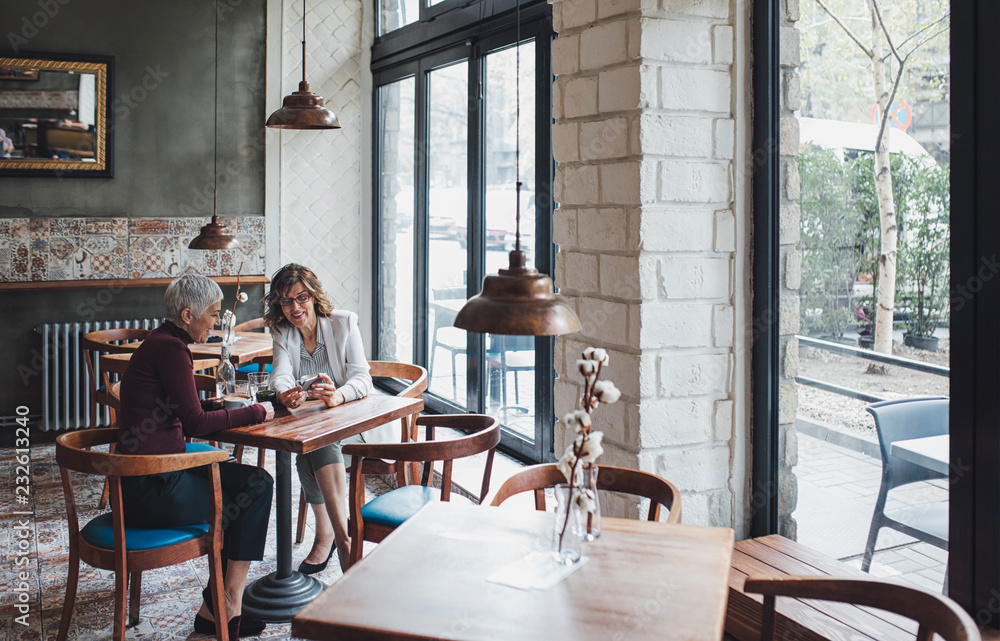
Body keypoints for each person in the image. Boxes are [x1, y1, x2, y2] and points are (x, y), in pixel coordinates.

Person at [117, 274, 275, 640]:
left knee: (250, 484)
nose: (216, 322)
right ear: (188, 314)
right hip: (153, 488)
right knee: (254, 489)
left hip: (152, 475)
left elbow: (181, 410)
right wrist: (255, 411)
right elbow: (197, 424)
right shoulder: (172, 349)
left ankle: (216, 608)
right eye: (214, 315)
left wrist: (213, 403)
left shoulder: (162, 342)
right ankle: (227, 605)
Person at [265, 263, 394, 573]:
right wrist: (284, 393)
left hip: (357, 423)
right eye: (286, 300)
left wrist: (338, 395)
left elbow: (363, 379)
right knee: (306, 449)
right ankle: (332, 535)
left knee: (318, 446)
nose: (294, 307)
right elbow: (280, 375)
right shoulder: (282, 330)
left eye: (301, 297)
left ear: (314, 297)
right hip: (316, 421)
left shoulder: (344, 323)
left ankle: (339, 538)